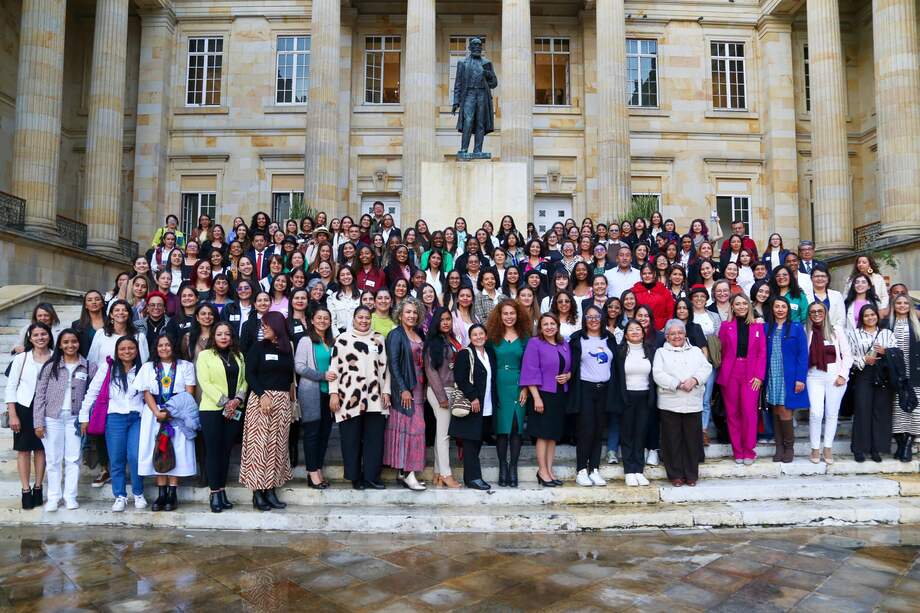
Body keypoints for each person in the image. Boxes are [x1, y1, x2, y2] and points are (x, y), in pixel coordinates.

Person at [80, 336, 146, 512]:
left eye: (131, 348)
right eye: (122, 348)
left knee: (135, 456)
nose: (127, 351)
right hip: (114, 418)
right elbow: (92, 392)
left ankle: (139, 493)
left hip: (137, 418)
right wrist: (83, 416)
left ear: (137, 350)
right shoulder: (108, 368)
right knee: (116, 458)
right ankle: (120, 496)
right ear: (117, 351)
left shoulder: (143, 369)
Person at [32, 329, 96, 511]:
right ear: (59, 344)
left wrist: (87, 418)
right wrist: (38, 422)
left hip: (76, 419)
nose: (70, 345)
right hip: (52, 418)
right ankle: (53, 497)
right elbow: (40, 395)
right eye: (66, 342)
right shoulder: (50, 366)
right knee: (53, 459)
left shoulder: (88, 366)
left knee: (73, 458)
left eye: (73, 341)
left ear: (79, 343)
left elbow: (94, 394)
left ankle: (70, 496)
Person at [329, 307, 391, 489]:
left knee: (375, 439)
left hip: (375, 397)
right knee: (351, 439)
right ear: (353, 319)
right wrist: (333, 393)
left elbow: (385, 368)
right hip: (349, 398)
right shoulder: (342, 340)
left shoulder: (379, 338)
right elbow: (334, 370)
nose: (363, 321)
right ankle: (355, 477)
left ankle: (372, 477)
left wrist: (386, 391)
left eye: (366, 318)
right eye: (360, 317)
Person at [134, 334, 197, 512]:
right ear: (156, 348)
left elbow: (189, 392)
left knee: (176, 449)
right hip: (153, 413)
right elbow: (146, 392)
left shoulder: (185, 366)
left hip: (178, 412)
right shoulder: (148, 367)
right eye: (160, 345)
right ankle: (161, 494)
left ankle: (172, 494)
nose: (164, 348)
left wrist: (170, 412)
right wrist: (157, 412)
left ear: (173, 346)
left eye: (168, 345)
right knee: (158, 449)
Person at [241, 311, 295, 511]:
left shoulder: (287, 349)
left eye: (266, 326)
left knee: (277, 448)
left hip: (281, 403)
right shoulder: (258, 347)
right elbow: (250, 374)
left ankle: (271, 490)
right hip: (261, 400)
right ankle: (258, 492)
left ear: (277, 327)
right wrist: (262, 394)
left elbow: (289, 377)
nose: (263, 329)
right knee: (259, 447)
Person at [653, 319, 712, 486]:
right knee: (672, 440)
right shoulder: (661, 352)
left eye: (679, 333)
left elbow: (706, 368)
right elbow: (657, 373)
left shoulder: (695, 351)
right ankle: (675, 475)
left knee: (692, 440)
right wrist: (677, 383)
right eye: (672, 333)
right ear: (666, 336)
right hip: (670, 403)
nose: (676, 336)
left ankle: (691, 474)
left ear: (685, 334)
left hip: (692, 402)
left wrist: (694, 380)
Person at [196, 322, 247, 512]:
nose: (224, 337)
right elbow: (205, 383)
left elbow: (244, 380)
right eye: (219, 334)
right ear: (213, 337)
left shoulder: (238, 355)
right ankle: (214, 492)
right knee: (214, 451)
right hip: (212, 410)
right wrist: (226, 401)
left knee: (226, 452)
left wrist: (237, 399)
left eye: (227, 334)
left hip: (234, 410)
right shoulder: (205, 355)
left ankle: (223, 491)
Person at [520, 313, 572, 487]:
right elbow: (529, 370)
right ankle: (542, 471)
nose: (549, 327)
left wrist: (568, 375)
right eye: (545, 324)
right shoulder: (535, 343)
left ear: (557, 326)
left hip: (560, 394)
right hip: (542, 394)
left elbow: (570, 366)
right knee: (543, 435)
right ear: (540, 328)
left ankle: (549, 470)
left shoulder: (563, 343)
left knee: (553, 435)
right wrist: (536, 397)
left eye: (552, 323)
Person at [567, 305, 617, 487]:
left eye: (597, 317)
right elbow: (570, 364)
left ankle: (594, 469)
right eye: (589, 317)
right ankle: (581, 469)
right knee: (586, 430)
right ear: (584, 319)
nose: (594, 320)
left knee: (598, 431)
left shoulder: (609, 338)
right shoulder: (577, 339)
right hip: (585, 389)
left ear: (602, 319)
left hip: (604, 390)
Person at [5, 323, 52, 509]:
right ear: (30, 338)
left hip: (47, 408)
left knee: (41, 449)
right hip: (24, 407)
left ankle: (38, 487)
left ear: (49, 336)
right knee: (24, 450)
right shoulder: (22, 358)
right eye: (36, 335)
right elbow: (11, 386)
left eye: (43, 334)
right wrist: (12, 413)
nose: (40, 337)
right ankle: (25, 489)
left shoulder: (55, 357)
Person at [383, 298, 427, 491]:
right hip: (406, 390)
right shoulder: (395, 335)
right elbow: (393, 364)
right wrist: (403, 389)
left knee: (411, 430)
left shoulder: (417, 333)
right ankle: (409, 474)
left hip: (419, 388)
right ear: (400, 315)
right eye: (408, 312)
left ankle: (403, 472)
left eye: (414, 312)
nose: (411, 315)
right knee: (414, 430)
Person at [717, 294, 767, 464]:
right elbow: (721, 350)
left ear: (749, 305)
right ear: (732, 307)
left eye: (744, 303)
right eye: (737, 304)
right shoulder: (725, 326)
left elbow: (762, 353)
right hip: (730, 372)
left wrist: (759, 376)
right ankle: (737, 451)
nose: (741, 306)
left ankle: (749, 450)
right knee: (732, 413)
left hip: (751, 373)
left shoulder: (757, 327)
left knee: (749, 412)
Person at [485, 300, 530, 488]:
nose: (509, 317)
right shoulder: (492, 337)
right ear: (499, 315)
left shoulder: (525, 336)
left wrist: (526, 388)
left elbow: (529, 366)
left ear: (517, 315)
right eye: (505, 313)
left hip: (519, 385)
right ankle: (502, 466)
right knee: (502, 429)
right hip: (498, 386)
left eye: (512, 313)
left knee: (516, 428)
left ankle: (513, 467)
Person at [848, 304, 898, 462]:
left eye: (872, 314)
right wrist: (863, 359)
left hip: (884, 374)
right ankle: (859, 449)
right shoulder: (854, 334)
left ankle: (876, 449)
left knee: (880, 412)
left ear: (877, 315)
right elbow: (848, 356)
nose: (870, 318)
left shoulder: (887, 333)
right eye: (866, 315)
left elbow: (896, 353)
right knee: (862, 410)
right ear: (861, 318)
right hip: (864, 373)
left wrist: (886, 352)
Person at [450, 324, 497, 490]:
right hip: (473, 404)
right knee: (470, 443)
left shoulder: (489, 353)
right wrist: (473, 397)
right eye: (474, 334)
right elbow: (460, 378)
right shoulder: (465, 353)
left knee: (477, 442)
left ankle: (471, 477)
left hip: (487, 404)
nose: (478, 337)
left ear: (486, 335)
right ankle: (473, 478)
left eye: (481, 334)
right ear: (470, 337)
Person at [610, 319, 657, 486]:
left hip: (645, 397)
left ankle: (639, 470)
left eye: (638, 329)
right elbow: (615, 378)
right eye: (631, 329)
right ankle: (629, 471)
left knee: (640, 434)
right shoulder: (620, 351)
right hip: (626, 397)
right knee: (627, 434)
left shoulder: (651, 350)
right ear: (626, 334)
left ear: (643, 333)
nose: (635, 332)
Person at [805, 301, 852, 465]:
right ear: (809, 315)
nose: (816, 314)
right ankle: (814, 448)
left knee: (832, 414)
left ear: (825, 312)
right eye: (813, 312)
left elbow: (847, 355)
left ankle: (828, 448)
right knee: (816, 413)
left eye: (819, 311)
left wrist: (843, 375)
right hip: (814, 376)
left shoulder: (836, 330)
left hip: (834, 377)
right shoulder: (807, 331)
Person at [294, 306, 336, 489]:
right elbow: (300, 367)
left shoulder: (333, 342)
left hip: (329, 393)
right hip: (311, 392)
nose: (322, 321)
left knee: (325, 433)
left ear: (330, 321)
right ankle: (312, 473)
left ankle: (318, 468)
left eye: (326, 318)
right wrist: (322, 375)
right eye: (319, 318)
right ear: (312, 320)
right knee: (312, 433)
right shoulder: (306, 341)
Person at [765, 297, 809, 463]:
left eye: (783, 306)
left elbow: (803, 355)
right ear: (773, 309)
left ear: (788, 310)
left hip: (789, 376)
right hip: (772, 374)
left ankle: (789, 447)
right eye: (777, 306)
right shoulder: (767, 328)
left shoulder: (797, 328)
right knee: (776, 410)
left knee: (785, 409)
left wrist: (800, 378)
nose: (780, 309)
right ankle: (779, 447)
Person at [424, 308, 462, 488]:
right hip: (440, 391)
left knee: (442, 433)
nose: (446, 322)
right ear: (436, 323)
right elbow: (430, 371)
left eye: (448, 319)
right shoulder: (433, 343)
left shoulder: (451, 339)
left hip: (451, 389)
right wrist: (441, 397)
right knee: (444, 435)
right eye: (442, 320)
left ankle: (438, 473)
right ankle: (447, 474)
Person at [889, 295, 920, 462]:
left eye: (905, 303)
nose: (902, 306)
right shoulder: (887, 324)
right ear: (894, 305)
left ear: (910, 306)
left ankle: (908, 443)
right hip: (895, 375)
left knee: (914, 411)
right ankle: (901, 444)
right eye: (899, 303)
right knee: (896, 411)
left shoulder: (917, 325)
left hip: (914, 374)